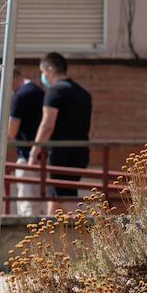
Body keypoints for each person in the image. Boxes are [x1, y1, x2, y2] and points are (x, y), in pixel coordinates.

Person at [28, 52, 92, 215]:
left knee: (63, 197)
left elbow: (47, 125)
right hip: (80, 153)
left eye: (42, 72)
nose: (42, 77)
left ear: (50, 70)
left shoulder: (54, 91)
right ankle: (52, 236)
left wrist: (33, 153)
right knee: (56, 197)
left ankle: (81, 233)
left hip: (60, 154)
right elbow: (88, 128)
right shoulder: (84, 93)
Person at [0, 64, 44, 217]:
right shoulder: (38, 91)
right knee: (41, 203)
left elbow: (11, 132)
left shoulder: (19, 96)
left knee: (27, 203)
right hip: (43, 154)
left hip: (27, 156)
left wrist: (2, 107)